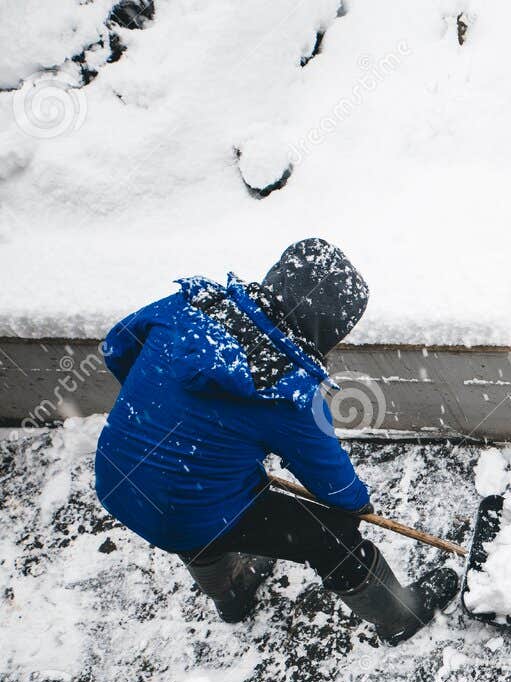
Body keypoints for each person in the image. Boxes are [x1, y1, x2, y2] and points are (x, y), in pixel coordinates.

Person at [93, 238, 457, 644]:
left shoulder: (187, 308)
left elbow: (117, 346)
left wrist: (157, 410)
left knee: (205, 490)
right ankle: (399, 616)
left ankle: (232, 594)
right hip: (187, 512)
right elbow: (334, 485)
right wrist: (357, 507)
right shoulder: (284, 391)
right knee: (331, 535)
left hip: (116, 477)